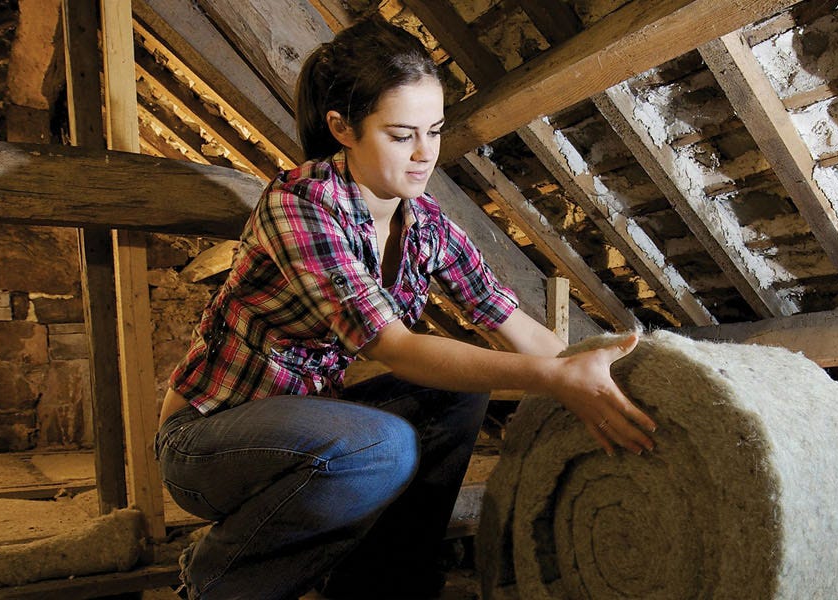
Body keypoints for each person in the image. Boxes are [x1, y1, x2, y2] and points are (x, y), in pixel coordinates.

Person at [154, 16, 656, 600]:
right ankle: (217, 581)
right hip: (207, 441)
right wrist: (552, 378)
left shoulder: (426, 225)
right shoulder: (301, 204)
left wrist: (618, 382)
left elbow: (511, 323)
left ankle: (387, 584)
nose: (425, 154)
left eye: (435, 131)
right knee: (381, 448)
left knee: (460, 394)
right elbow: (391, 345)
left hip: (307, 428)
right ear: (343, 128)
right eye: (401, 135)